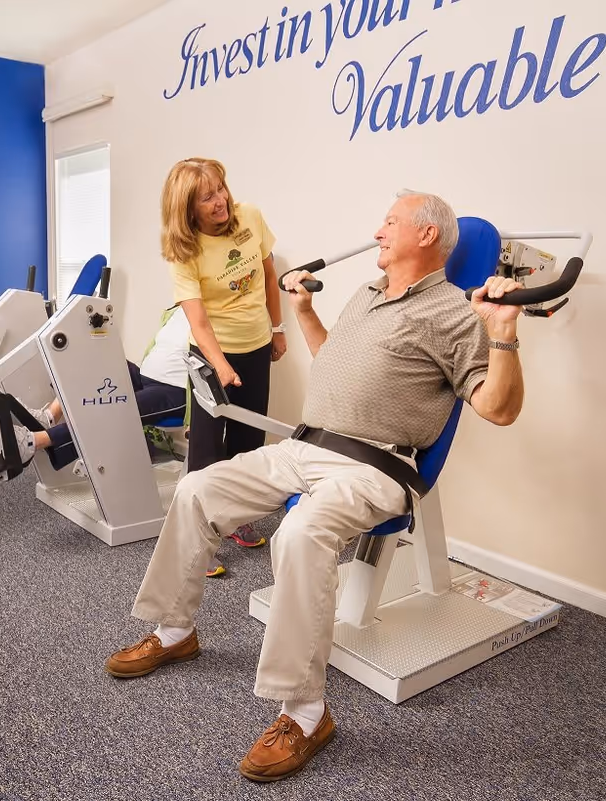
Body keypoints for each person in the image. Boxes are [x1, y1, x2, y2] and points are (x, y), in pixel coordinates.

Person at [105, 191, 527, 782]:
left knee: (299, 534)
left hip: (375, 467)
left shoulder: (458, 312)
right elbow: (334, 363)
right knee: (196, 488)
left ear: (427, 235)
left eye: (389, 222)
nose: (378, 231)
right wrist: (302, 312)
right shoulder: (366, 294)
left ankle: (304, 713)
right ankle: (174, 630)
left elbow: (498, 407)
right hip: (306, 447)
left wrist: (504, 332)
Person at [161, 158, 285, 576]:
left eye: (221, 189)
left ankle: (234, 517)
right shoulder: (185, 251)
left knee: (249, 441)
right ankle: (197, 539)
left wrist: (278, 329)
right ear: (188, 209)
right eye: (207, 197)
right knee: (206, 451)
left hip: (255, 344)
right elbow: (197, 320)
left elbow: (268, 276)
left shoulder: (249, 216)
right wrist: (220, 365)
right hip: (213, 355)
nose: (221, 201)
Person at [4, 306, 191, 472]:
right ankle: (49, 417)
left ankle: (34, 441)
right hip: (145, 376)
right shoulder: (178, 311)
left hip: (175, 390)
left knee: (117, 406)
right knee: (95, 359)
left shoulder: (215, 315)